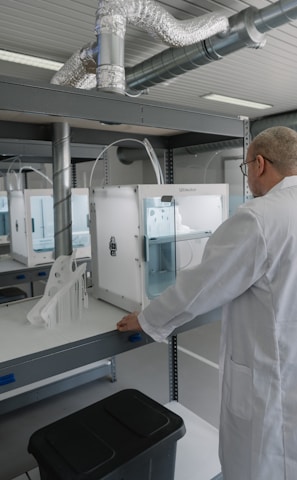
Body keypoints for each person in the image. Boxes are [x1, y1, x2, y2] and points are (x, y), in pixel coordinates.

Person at [117, 125, 297, 480]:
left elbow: (202, 285)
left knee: (262, 461)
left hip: (271, 374)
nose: (248, 182)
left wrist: (149, 317)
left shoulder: (260, 216)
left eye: (247, 170)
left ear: (259, 164)